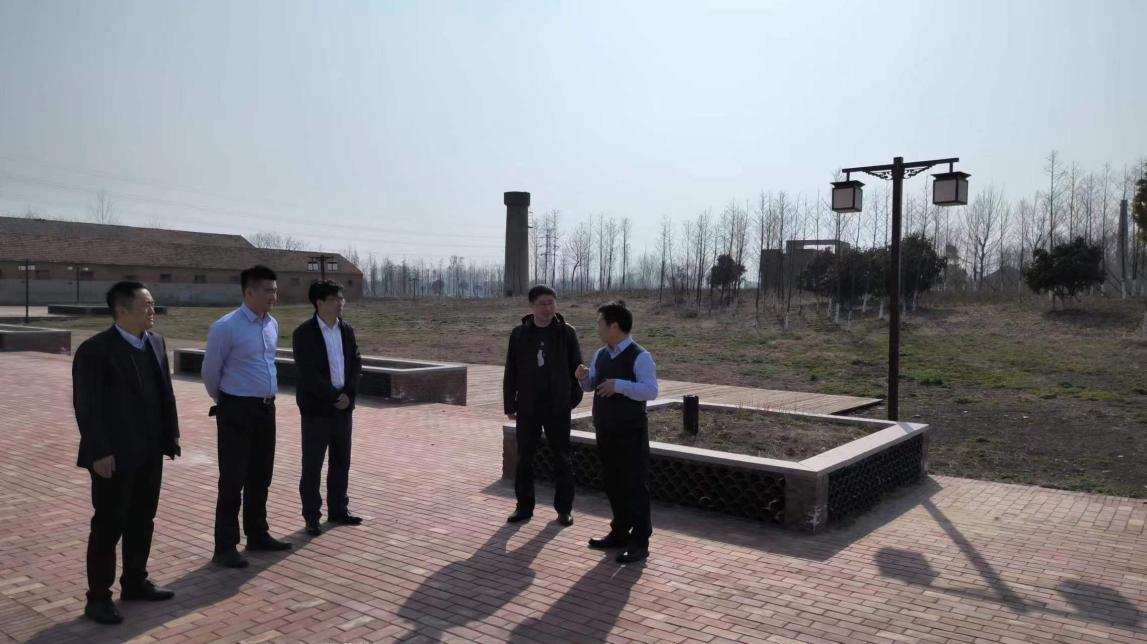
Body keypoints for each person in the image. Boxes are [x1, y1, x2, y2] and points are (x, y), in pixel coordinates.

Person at [72, 282, 180, 624]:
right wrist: (99, 451)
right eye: (146, 305)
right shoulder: (96, 350)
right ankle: (98, 598)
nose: (152, 310)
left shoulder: (156, 342)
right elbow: (87, 407)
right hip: (114, 457)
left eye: (153, 304)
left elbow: (165, 393)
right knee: (108, 525)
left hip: (149, 451)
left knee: (142, 520)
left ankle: (135, 581)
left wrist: (171, 434)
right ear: (121, 310)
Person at [202, 265, 291, 568]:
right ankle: (225, 546)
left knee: (261, 475)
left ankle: (257, 533)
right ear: (249, 292)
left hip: (266, 409)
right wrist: (226, 401)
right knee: (232, 478)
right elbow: (210, 372)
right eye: (267, 291)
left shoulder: (272, 324)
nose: (273, 296)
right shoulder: (226, 327)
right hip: (236, 410)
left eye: (275, 290)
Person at [576, 301, 658, 564]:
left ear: (614, 326)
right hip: (605, 428)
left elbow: (651, 390)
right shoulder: (601, 354)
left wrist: (620, 386)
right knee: (613, 483)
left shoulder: (640, 356)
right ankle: (620, 531)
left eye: (600, 323)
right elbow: (592, 385)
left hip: (630, 431)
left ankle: (640, 541)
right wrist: (583, 377)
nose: (597, 327)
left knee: (634, 485)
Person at [502, 285, 583, 526]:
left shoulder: (566, 333)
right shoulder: (519, 334)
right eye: (542, 304)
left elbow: (577, 369)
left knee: (562, 458)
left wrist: (570, 400)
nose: (548, 308)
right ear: (531, 306)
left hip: (557, 407)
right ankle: (524, 507)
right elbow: (511, 371)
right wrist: (510, 404)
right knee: (525, 458)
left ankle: (564, 509)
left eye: (551, 303)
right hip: (528, 406)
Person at [292, 280, 364, 536]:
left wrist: (349, 394)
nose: (340, 303)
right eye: (334, 299)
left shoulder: (346, 330)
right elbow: (309, 374)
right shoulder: (304, 333)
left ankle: (338, 509)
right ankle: (312, 515)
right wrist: (334, 396)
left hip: (343, 409)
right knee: (313, 464)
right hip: (317, 410)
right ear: (319, 303)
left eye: (341, 298)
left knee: (341, 460)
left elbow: (356, 362)